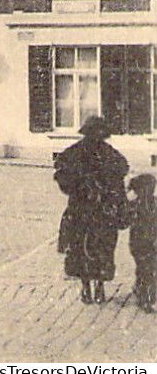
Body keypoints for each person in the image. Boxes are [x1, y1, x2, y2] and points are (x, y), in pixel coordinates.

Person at [54, 115, 129, 304]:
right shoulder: (75, 153)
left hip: (99, 210)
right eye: (94, 134)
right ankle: (88, 286)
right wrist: (80, 187)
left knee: (101, 248)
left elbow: (119, 176)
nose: (97, 138)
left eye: (100, 134)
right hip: (84, 209)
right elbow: (62, 176)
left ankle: (98, 286)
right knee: (84, 248)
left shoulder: (110, 154)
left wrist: (115, 200)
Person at [128, 172, 156, 313]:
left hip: (146, 242)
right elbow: (124, 220)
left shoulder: (135, 204)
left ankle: (143, 292)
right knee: (147, 268)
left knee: (147, 268)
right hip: (141, 243)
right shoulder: (136, 205)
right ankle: (145, 296)